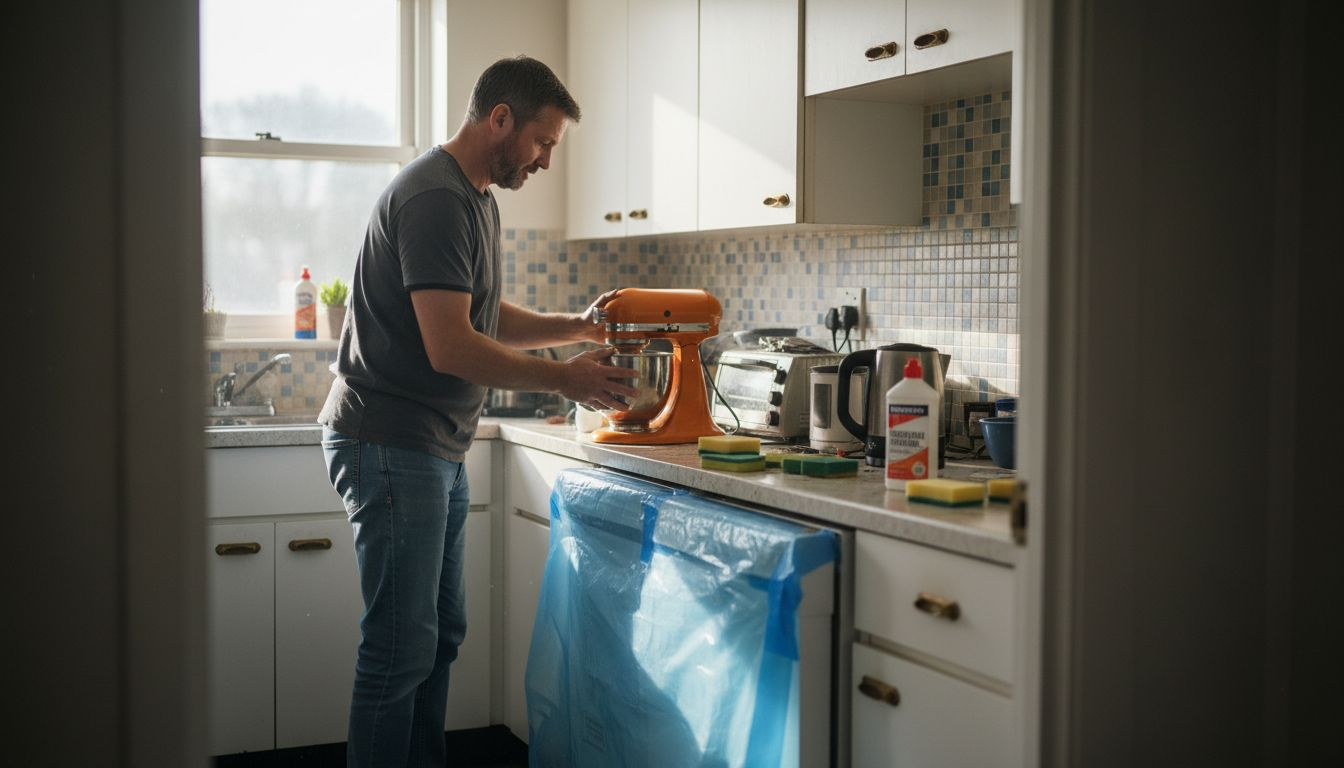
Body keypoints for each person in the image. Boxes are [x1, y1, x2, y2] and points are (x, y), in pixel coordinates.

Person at [317, 55, 638, 768]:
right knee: (400, 649)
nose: (548, 161)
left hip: (433, 447)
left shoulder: (474, 197)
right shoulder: (434, 199)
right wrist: (567, 381)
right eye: (544, 142)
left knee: (439, 636)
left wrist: (575, 326)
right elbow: (452, 347)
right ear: (501, 120)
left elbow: (482, 315)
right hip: (390, 442)